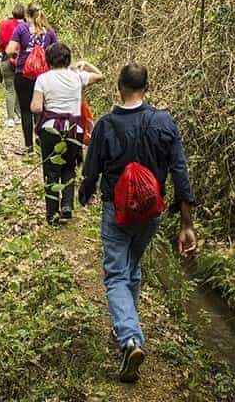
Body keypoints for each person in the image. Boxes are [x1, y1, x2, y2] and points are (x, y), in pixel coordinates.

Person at [78, 62, 197, 383]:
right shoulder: (164, 122)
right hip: (150, 212)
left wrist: (84, 194)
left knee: (116, 274)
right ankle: (127, 324)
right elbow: (180, 171)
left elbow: (92, 170)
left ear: (119, 86)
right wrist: (186, 223)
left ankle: (130, 338)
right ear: (147, 87)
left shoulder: (105, 125)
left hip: (116, 211)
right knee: (133, 266)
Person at [30, 43, 103, 225]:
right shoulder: (77, 77)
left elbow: (36, 107)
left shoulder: (43, 79)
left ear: (48, 60)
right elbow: (101, 75)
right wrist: (85, 64)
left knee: (51, 170)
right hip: (74, 128)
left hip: (50, 129)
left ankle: (52, 214)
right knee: (70, 166)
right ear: (68, 59)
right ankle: (67, 205)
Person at [5, 3, 58, 153]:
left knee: (26, 110)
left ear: (27, 15)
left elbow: (9, 50)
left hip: (23, 74)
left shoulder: (21, 29)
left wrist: (16, 57)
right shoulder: (49, 31)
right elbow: (57, 52)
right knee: (42, 110)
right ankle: (43, 144)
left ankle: (28, 147)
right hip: (45, 77)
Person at [0, 4, 25, 127]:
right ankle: (19, 116)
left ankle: (10, 118)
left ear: (13, 13)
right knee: (19, 88)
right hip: (22, 60)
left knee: (10, 88)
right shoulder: (26, 26)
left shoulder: (4, 24)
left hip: (6, 58)